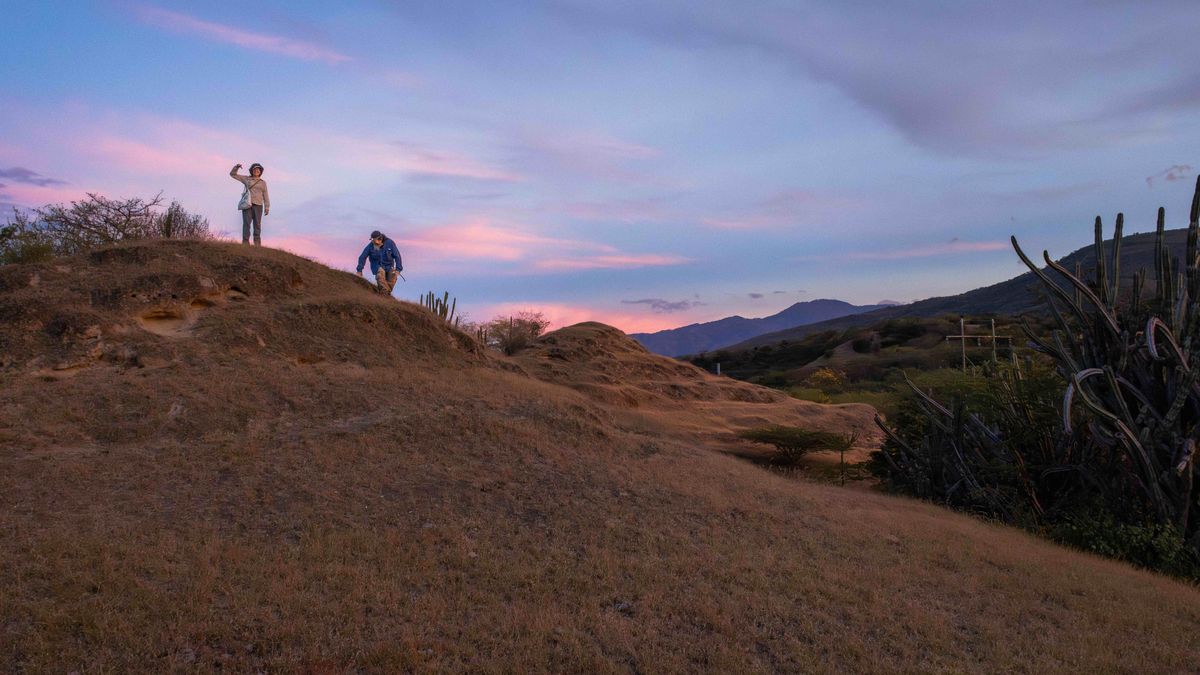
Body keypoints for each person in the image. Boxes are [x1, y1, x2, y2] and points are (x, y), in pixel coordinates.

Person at [229, 162, 270, 245]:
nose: (256, 170)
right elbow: (233, 174)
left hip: (258, 205)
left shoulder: (263, 183)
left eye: (258, 169)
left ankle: (257, 244)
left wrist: (267, 207)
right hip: (247, 204)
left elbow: (265, 195)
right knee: (246, 224)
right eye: (255, 169)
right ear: (252, 170)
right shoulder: (247, 179)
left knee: (257, 225)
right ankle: (245, 243)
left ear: (260, 171)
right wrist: (236, 167)